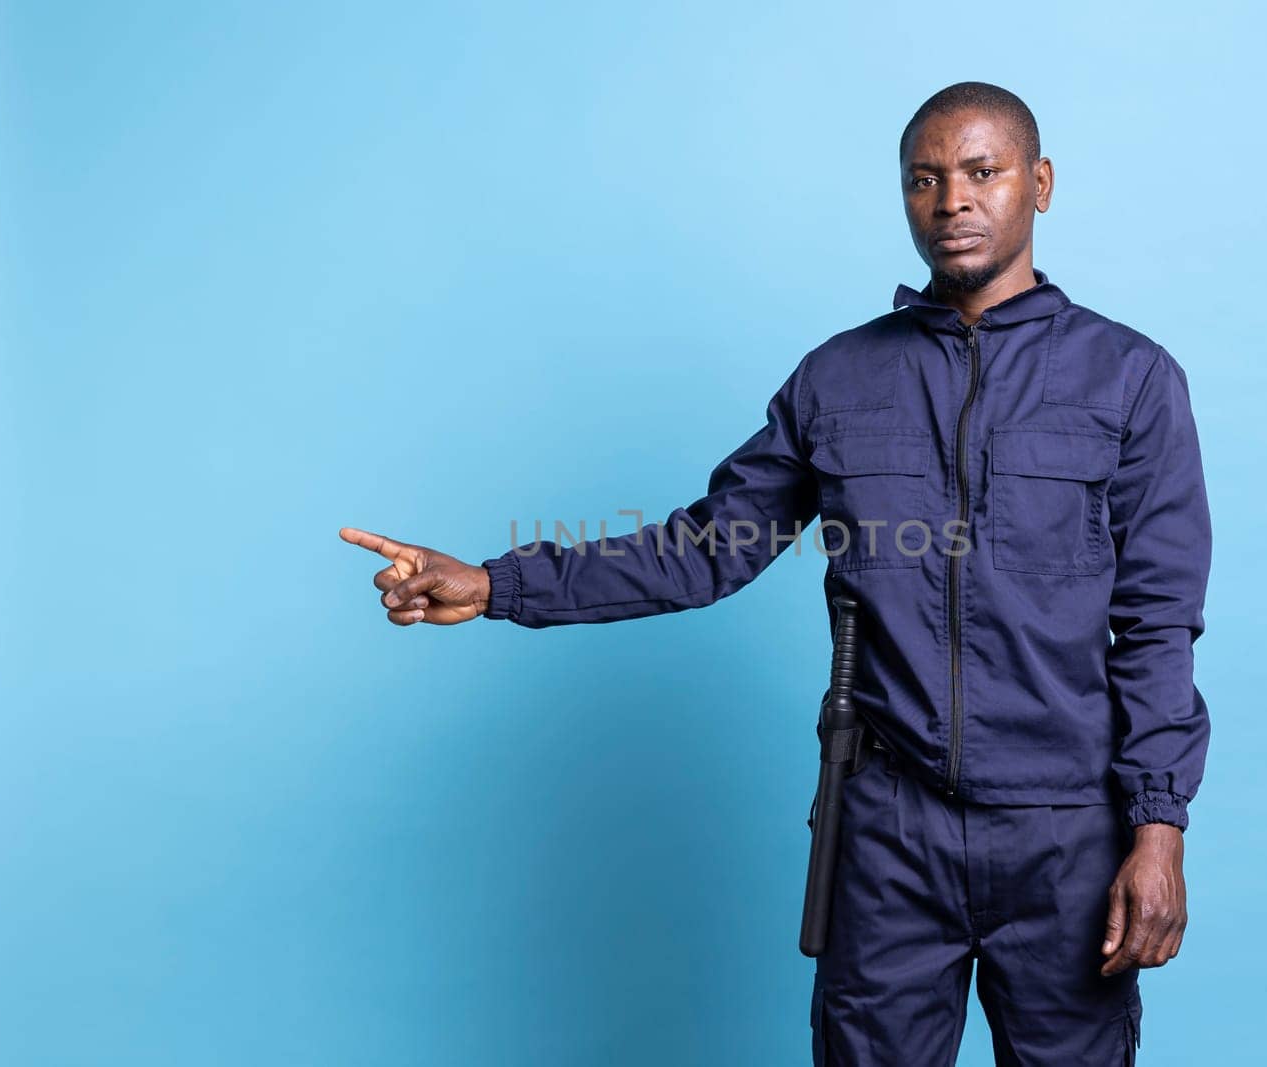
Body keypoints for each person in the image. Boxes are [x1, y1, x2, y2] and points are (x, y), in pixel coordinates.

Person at [340, 81, 1211, 1067]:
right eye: (924, 179)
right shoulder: (839, 378)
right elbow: (705, 547)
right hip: (890, 835)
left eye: (981, 172)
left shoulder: (1130, 379)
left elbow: (1157, 621)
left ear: (1038, 184)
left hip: (1067, 835)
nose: (952, 200)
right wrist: (497, 584)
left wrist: (1156, 827)